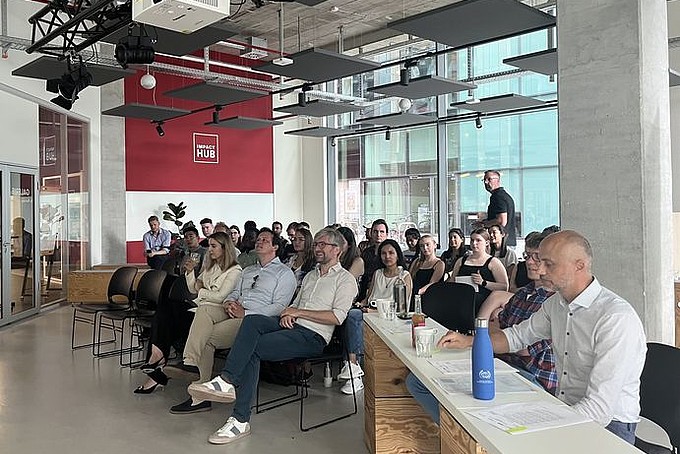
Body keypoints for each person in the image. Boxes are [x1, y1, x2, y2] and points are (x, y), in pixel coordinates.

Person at [436, 230, 647, 444]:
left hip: (609, 425)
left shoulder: (615, 318)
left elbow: (599, 409)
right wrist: (469, 341)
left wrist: (541, 430)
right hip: (565, 408)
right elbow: (517, 337)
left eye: (549, 264)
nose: (541, 270)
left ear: (579, 265)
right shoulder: (556, 303)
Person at [187, 228, 357, 445]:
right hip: (291, 326)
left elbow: (337, 317)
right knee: (252, 321)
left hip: (313, 336)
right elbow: (296, 304)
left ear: (337, 250)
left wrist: (298, 313)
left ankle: (239, 418)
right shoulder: (312, 275)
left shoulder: (345, 280)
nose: (317, 248)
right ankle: (226, 382)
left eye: (322, 244)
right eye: (316, 244)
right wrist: (289, 312)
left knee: (254, 348)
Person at [166, 228, 296, 414]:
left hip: (255, 320)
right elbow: (235, 293)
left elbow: (279, 306)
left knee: (207, 338)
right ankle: (190, 362)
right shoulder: (249, 270)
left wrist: (247, 313)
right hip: (234, 309)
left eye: (265, 240)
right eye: (258, 239)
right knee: (204, 310)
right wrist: (228, 302)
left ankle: (199, 398)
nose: (259, 242)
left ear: (275, 246)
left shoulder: (284, 273)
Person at [135, 231, 240, 393]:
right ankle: (157, 355)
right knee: (165, 307)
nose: (210, 250)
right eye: (209, 246)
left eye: (213, 246)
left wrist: (201, 291)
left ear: (225, 248)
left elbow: (220, 297)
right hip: (200, 307)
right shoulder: (211, 267)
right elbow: (193, 288)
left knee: (169, 316)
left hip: (215, 311)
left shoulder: (235, 270)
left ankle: (159, 360)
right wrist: (190, 273)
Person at [342, 239, 412, 394]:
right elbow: (368, 298)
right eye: (383, 253)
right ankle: (353, 367)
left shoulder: (404, 276)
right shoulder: (377, 273)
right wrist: (360, 304)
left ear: (397, 255)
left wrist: (370, 311)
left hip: (389, 316)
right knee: (349, 315)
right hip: (370, 312)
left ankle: (353, 367)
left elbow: (400, 308)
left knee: (354, 317)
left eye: (391, 253)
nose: (387, 256)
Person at [447, 228, 508, 311]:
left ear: (486, 243)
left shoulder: (493, 262)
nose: (474, 243)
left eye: (478, 240)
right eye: (472, 240)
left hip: (484, 304)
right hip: (461, 300)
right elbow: (452, 280)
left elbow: (504, 287)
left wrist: (484, 283)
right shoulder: (461, 261)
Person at [479, 170, 516, 247]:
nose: (486, 182)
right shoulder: (503, 195)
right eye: (484, 180)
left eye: (489, 179)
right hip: (506, 242)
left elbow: (501, 221)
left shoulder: (498, 196)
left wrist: (483, 224)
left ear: (498, 180)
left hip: (502, 244)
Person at [409, 235, 445, 307]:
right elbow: (409, 278)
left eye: (427, 245)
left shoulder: (439, 263)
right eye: (422, 246)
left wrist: (418, 292)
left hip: (429, 297)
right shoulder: (417, 261)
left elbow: (433, 283)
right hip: (413, 296)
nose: (425, 248)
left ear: (434, 245)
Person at [358, 219, 388, 302]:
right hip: (365, 292)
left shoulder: (391, 253)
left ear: (386, 234)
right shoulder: (366, 253)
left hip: (384, 293)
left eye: (382, 232)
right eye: (375, 231)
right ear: (371, 233)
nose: (378, 235)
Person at [285, 227, 316, 298]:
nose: (296, 242)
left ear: (308, 241)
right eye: (294, 239)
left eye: (301, 239)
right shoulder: (290, 260)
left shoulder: (314, 263)